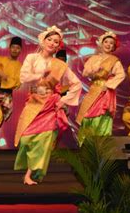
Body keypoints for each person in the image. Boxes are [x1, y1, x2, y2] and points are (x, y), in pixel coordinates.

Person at [14, 26, 82, 185]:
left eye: (56, 42)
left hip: (51, 105)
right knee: (25, 139)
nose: (52, 43)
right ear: (42, 40)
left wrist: (63, 101)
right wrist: (40, 75)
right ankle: (30, 169)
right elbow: (23, 77)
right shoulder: (32, 58)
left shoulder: (60, 65)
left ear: (59, 46)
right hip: (34, 102)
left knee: (44, 140)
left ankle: (30, 174)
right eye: (49, 40)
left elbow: (76, 84)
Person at [76, 31, 125, 136]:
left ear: (114, 47)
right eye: (106, 42)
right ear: (101, 44)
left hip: (105, 92)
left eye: (111, 43)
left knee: (100, 115)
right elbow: (85, 73)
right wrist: (92, 70)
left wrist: (108, 85)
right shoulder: (93, 58)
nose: (108, 44)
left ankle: (99, 144)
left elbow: (121, 75)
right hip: (93, 89)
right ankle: (85, 144)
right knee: (86, 114)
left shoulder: (114, 61)